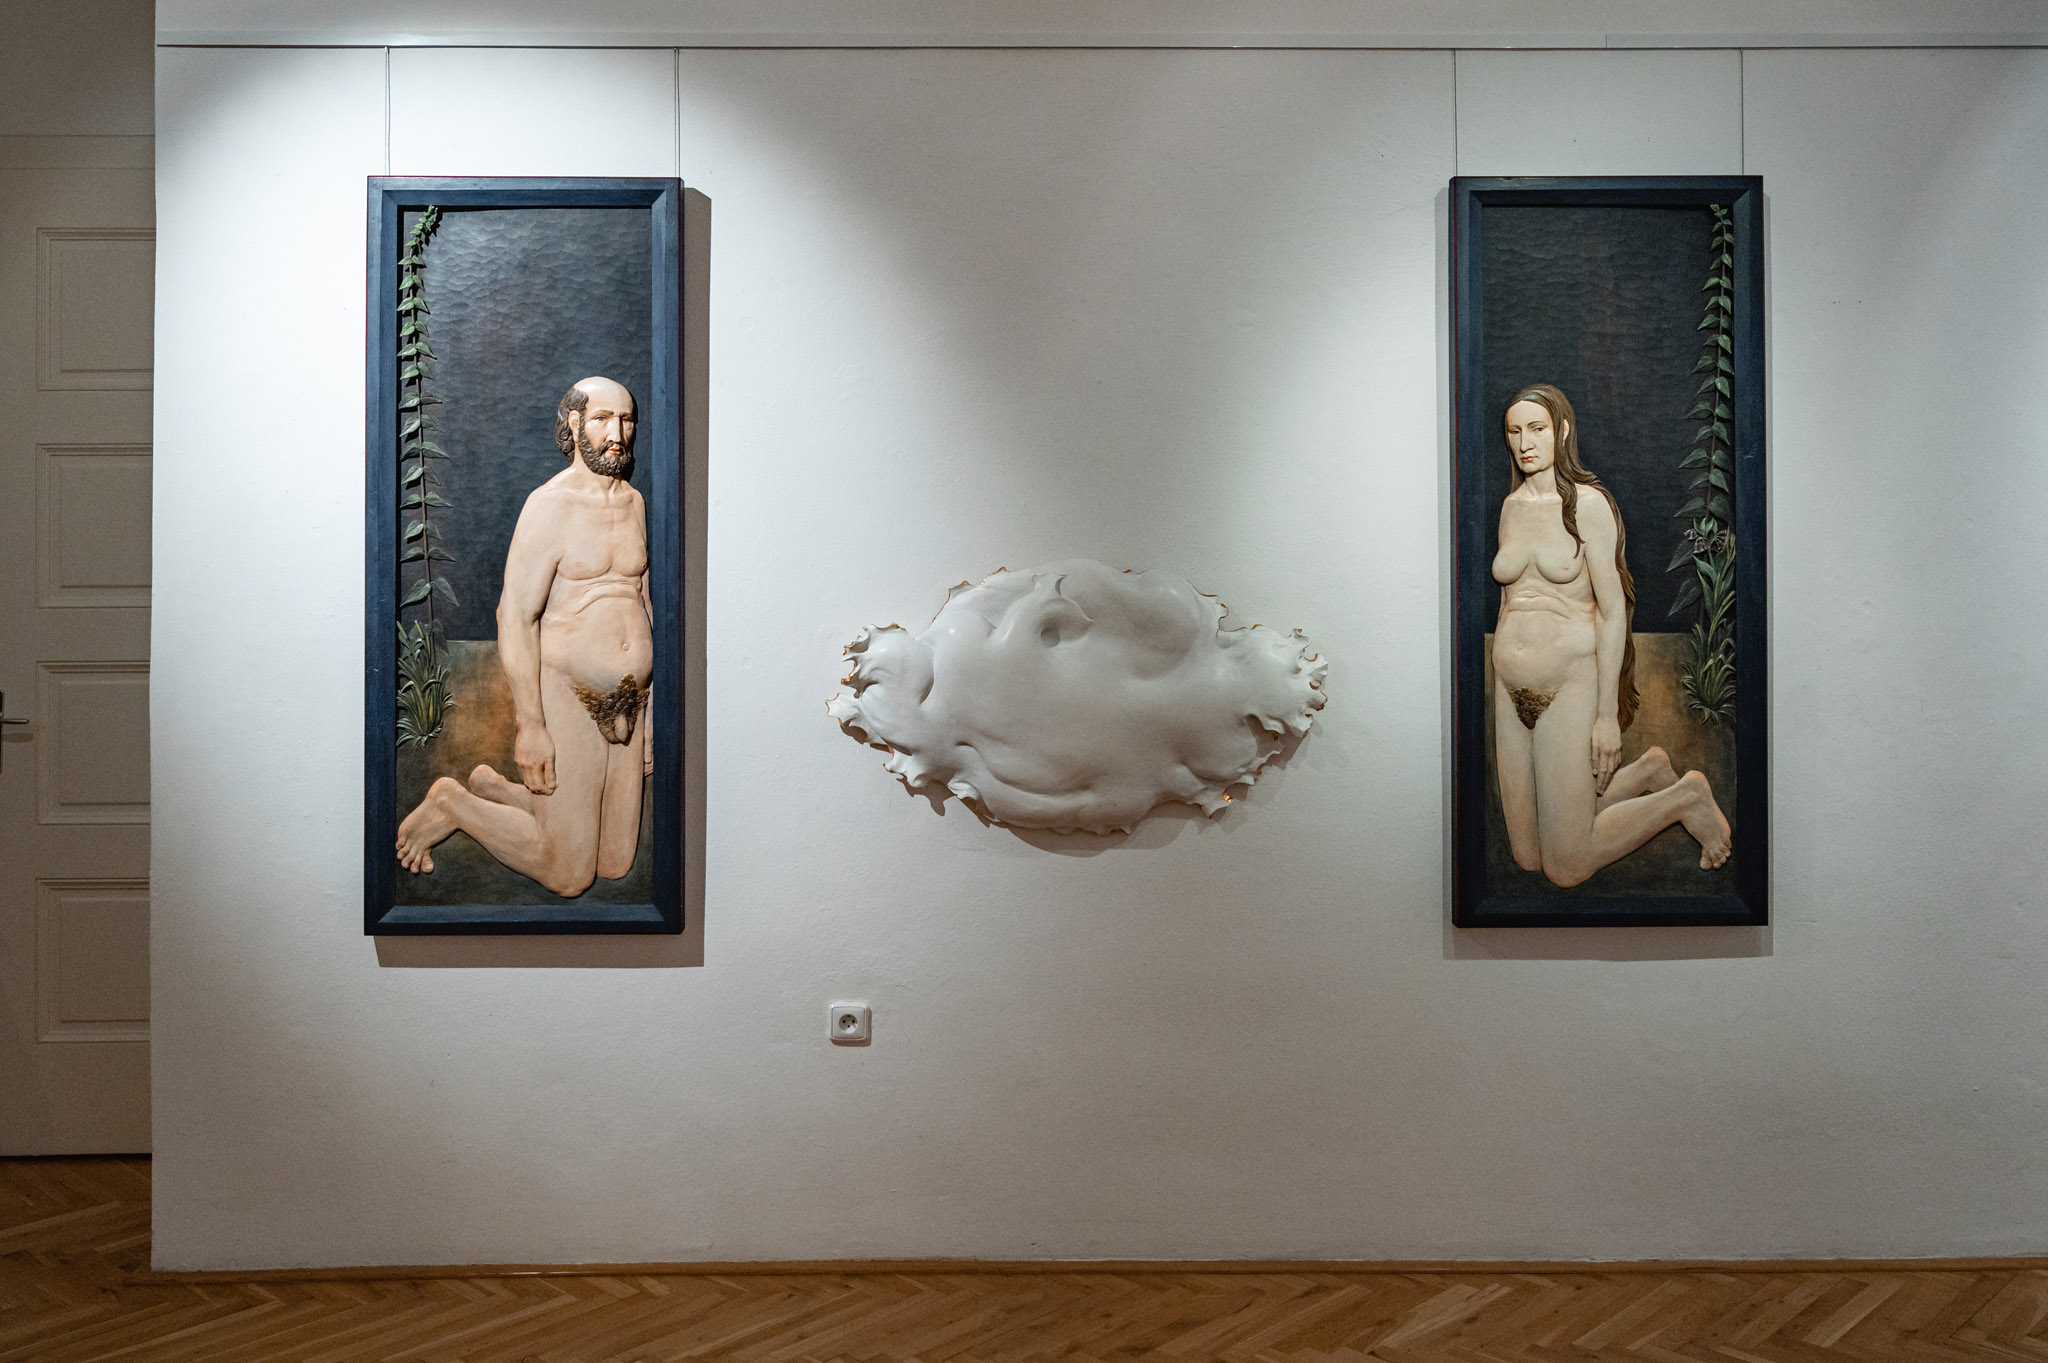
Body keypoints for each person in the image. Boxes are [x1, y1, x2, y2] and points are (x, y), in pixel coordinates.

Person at [396, 376, 653, 896]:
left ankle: (494, 789)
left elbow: (641, 601)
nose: (617, 434)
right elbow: (514, 617)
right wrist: (531, 727)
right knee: (568, 874)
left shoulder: (634, 503)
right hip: (569, 695)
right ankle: (453, 803)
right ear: (574, 424)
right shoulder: (548, 505)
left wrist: (652, 716)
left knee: (614, 862)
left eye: (626, 420)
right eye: (602, 419)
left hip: (632, 698)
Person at [1490, 382, 1729, 887]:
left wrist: (1605, 717)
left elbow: (1613, 611)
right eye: (1514, 431)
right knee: (1527, 856)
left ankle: (1685, 797)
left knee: (1566, 866)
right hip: (1509, 689)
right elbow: (1510, 601)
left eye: (1537, 428)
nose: (1524, 442)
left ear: (1562, 431)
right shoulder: (1510, 507)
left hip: (1568, 685)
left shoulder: (1589, 505)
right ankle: (1648, 771)